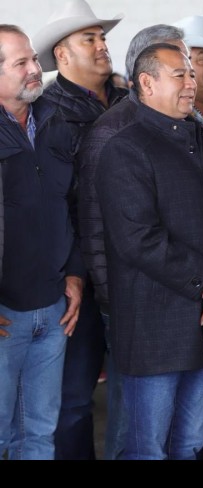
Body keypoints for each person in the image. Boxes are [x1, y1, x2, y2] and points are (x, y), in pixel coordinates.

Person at [94, 43, 203, 459]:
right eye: (179, 74)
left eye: (190, 74)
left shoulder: (200, 140)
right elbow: (138, 239)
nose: (191, 83)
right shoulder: (125, 148)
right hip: (155, 326)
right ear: (146, 83)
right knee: (149, 448)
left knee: (190, 443)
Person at [77, 23, 188, 460]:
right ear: (148, 74)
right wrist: (112, 299)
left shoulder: (184, 125)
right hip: (133, 300)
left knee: (173, 426)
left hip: (176, 291)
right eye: (178, 66)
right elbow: (97, 222)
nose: (189, 74)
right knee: (134, 424)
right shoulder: (114, 130)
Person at [32, 0, 127, 460]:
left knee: (136, 392)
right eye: (89, 38)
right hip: (80, 279)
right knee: (73, 399)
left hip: (135, 269)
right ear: (62, 54)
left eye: (102, 37)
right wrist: (73, 270)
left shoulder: (130, 102)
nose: (102, 45)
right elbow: (54, 206)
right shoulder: (49, 115)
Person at [0, 25, 84, 459]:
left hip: (53, 308)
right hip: (5, 313)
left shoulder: (54, 122)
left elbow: (74, 206)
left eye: (33, 59)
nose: (36, 68)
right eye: (22, 63)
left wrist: (75, 273)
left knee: (39, 434)